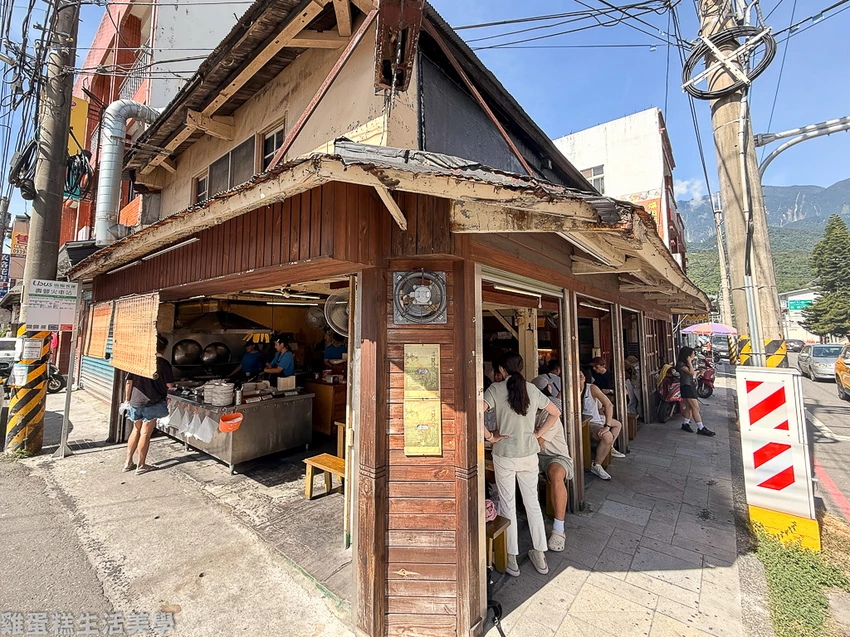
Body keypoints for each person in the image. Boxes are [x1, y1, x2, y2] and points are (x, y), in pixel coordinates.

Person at [483, 352, 561, 577]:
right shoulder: (532, 389)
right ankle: (540, 554)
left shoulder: (495, 390)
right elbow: (555, 413)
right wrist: (538, 433)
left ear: (502, 370)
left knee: (508, 505)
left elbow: (476, 413)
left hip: (505, 455)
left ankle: (512, 559)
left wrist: (490, 437)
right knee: (532, 504)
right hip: (529, 454)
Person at [531, 375, 574, 552]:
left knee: (556, 474)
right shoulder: (528, 410)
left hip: (555, 456)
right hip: (532, 455)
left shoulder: (551, 413)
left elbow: (537, 442)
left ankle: (558, 529)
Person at [123, 335, 174, 475]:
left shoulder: (138, 361)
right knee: (146, 432)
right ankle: (141, 465)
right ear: (163, 348)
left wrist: (128, 400)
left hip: (135, 401)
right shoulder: (163, 364)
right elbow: (169, 384)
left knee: (136, 430)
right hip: (153, 402)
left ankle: (128, 462)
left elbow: (129, 382)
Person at [581, 369, 624, 481]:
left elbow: (608, 405)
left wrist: (607, 426)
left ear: (585, 378)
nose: (578, 379)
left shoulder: (591, 388)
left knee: (608, 435)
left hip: (593, 423)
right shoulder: (567, 388)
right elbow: (557, 402)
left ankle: (597, 465)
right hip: (575, 424)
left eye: (580, 376)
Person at [676, 346, 716, 436]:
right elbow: (690, 372)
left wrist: (699, 373)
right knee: (696, 407)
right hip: (686, 386)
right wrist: (689, 361)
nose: (694, 355)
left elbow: (693, 375)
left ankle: (685, 423)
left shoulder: (687, 363)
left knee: (690, 407)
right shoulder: (681, 364)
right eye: (693, 353)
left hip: (691, 385)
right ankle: (701, 427)